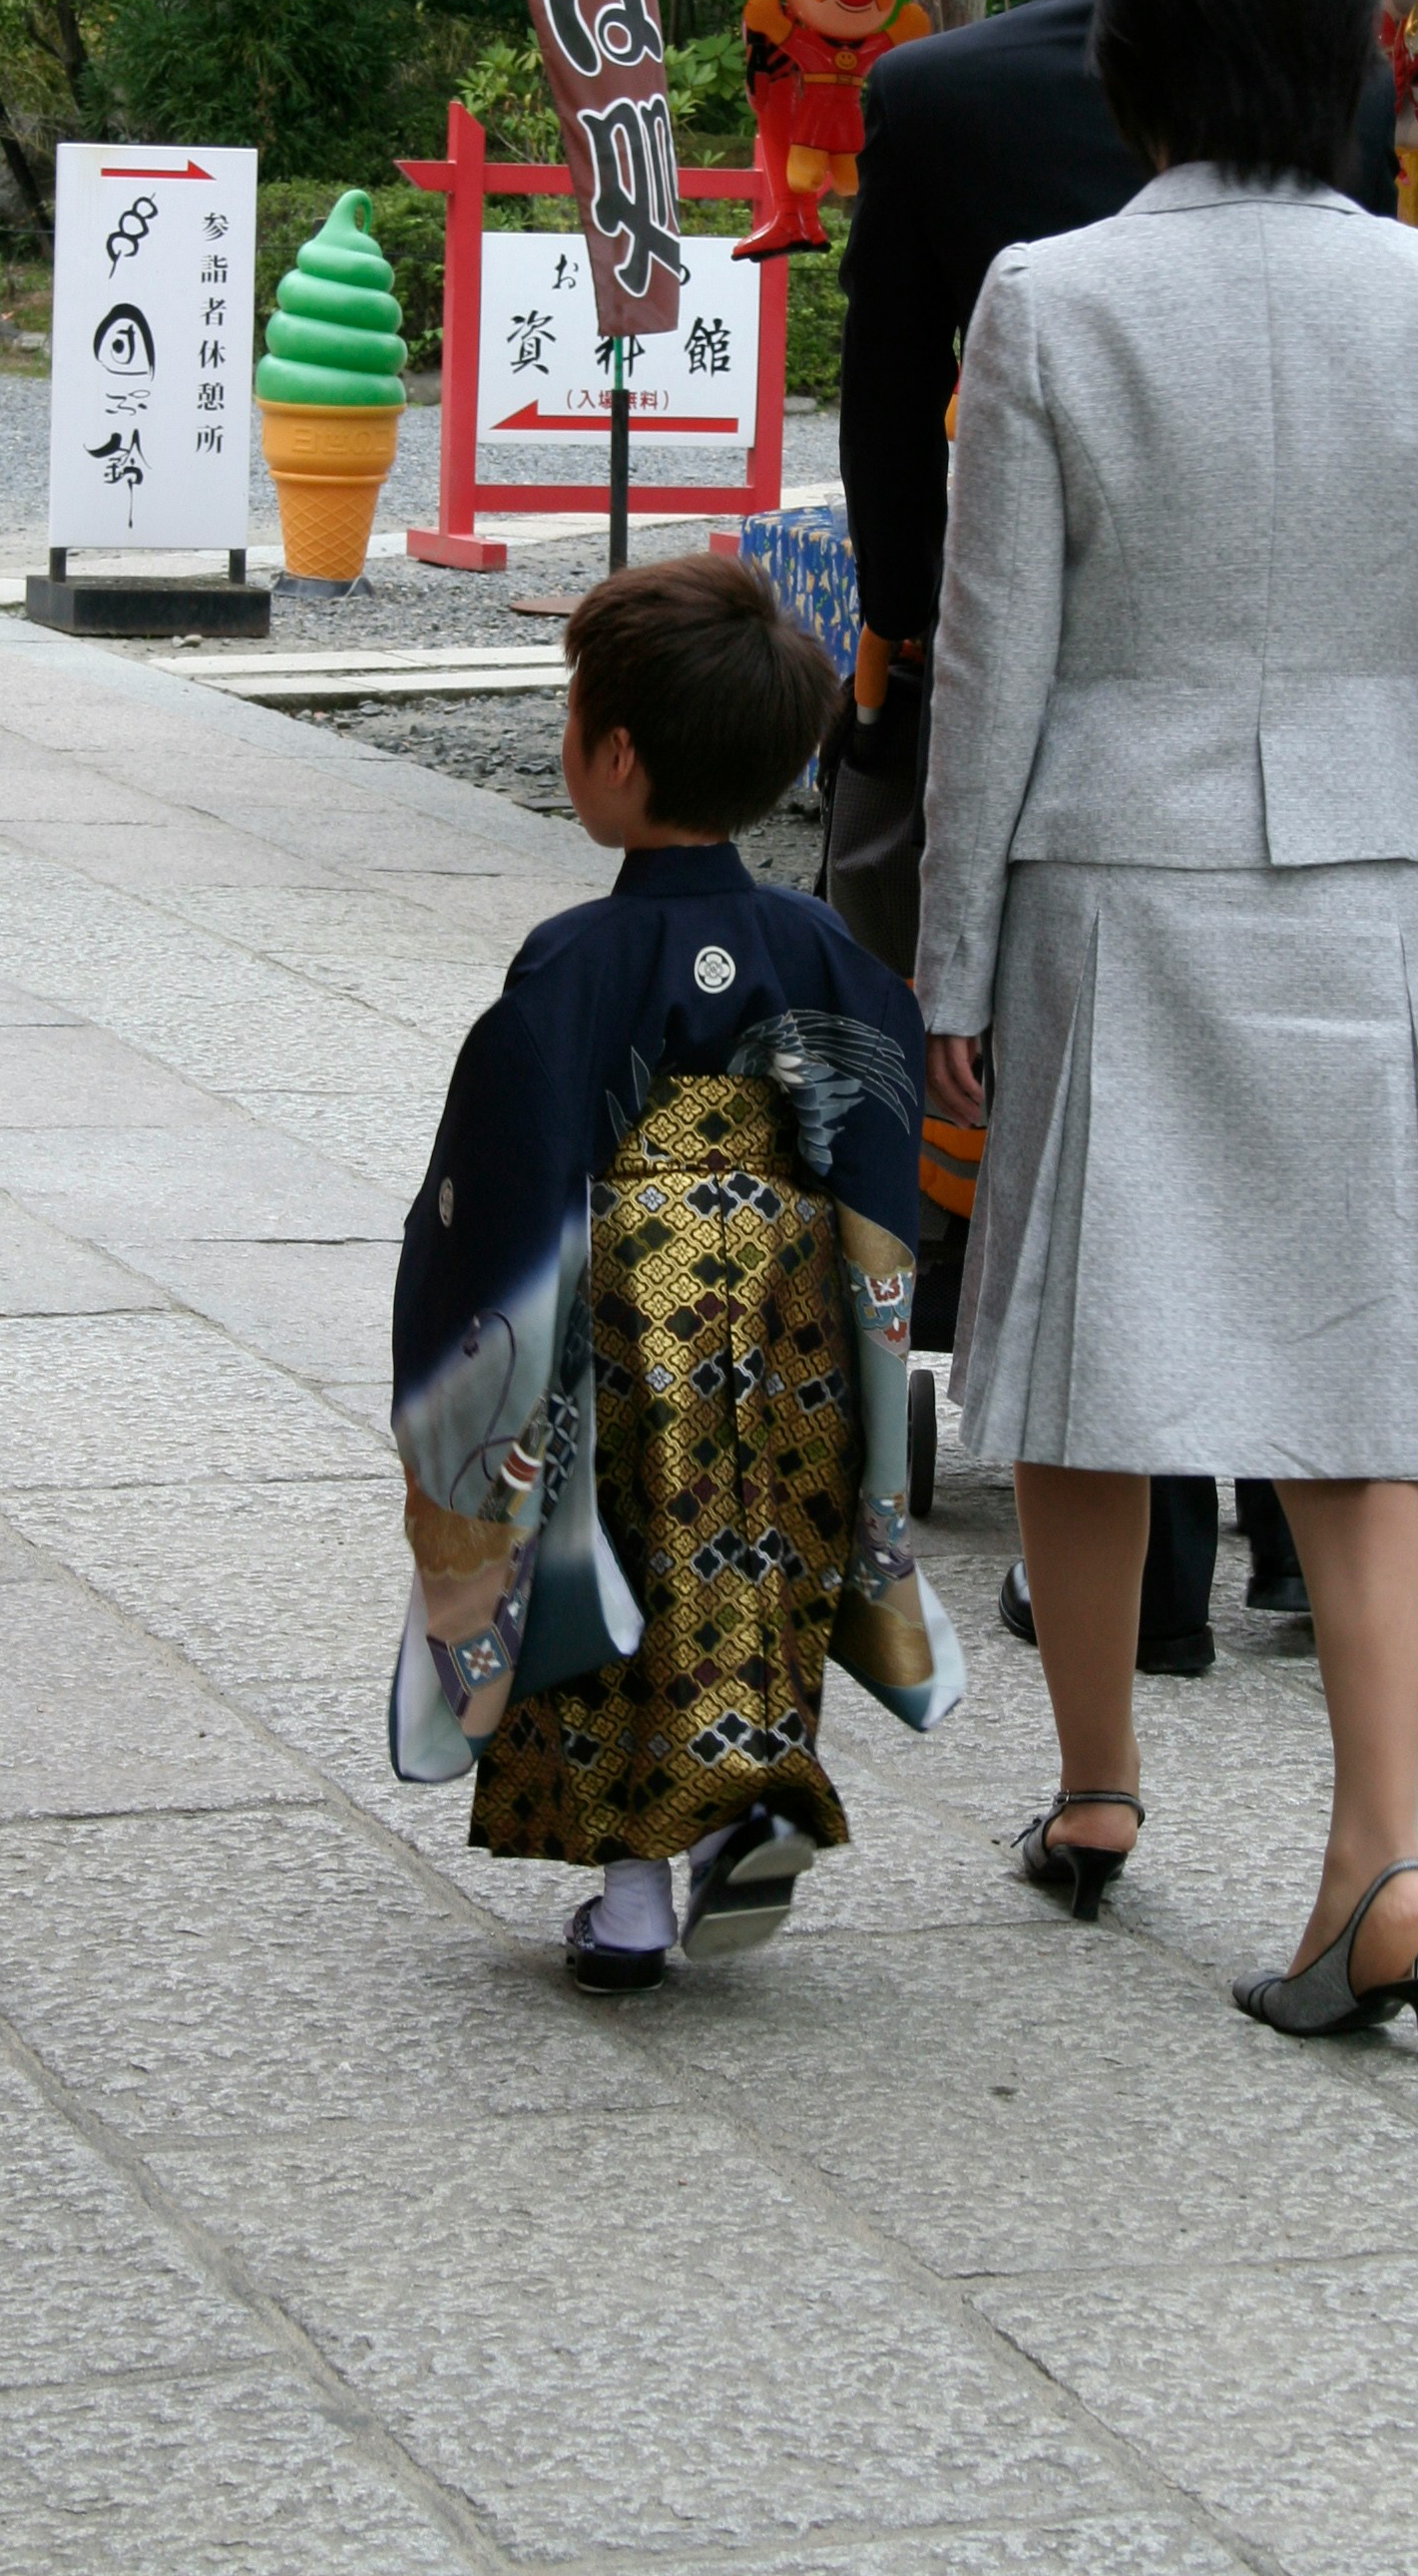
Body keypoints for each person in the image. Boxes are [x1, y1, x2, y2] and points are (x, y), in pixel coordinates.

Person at [915, 0, 1418, 2052]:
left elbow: (993, 670)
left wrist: (947, 965)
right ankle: (1381, 1863)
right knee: (1356, 1387)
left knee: (1083, 1349)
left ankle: (1098, 1789)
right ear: (1340, 48)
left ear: (1141, 46)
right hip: (1361, 877)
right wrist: (1358, 666)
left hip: (1113, 871)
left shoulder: (1052, 299)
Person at [836, 0, 1378, 1655]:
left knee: (1058, 1116)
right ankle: (1295, 1520)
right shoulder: (1346, 99)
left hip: (1028, 681)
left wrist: (908, 641)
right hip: (1278, 720)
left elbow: (885, 410)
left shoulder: (938, 93)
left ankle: (1125, 1567)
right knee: (1266, 1130)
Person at [386, 554, 963, 1995]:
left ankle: (635, 1903)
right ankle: (745, 1800)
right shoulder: (817, 941)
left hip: (614, 1318)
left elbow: (504, 1173)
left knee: (606, 1572)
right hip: (791, 1308)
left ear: (619, 757)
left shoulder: (573, 957)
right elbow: (880, 1129)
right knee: (755, 1558)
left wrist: (469, 1342)